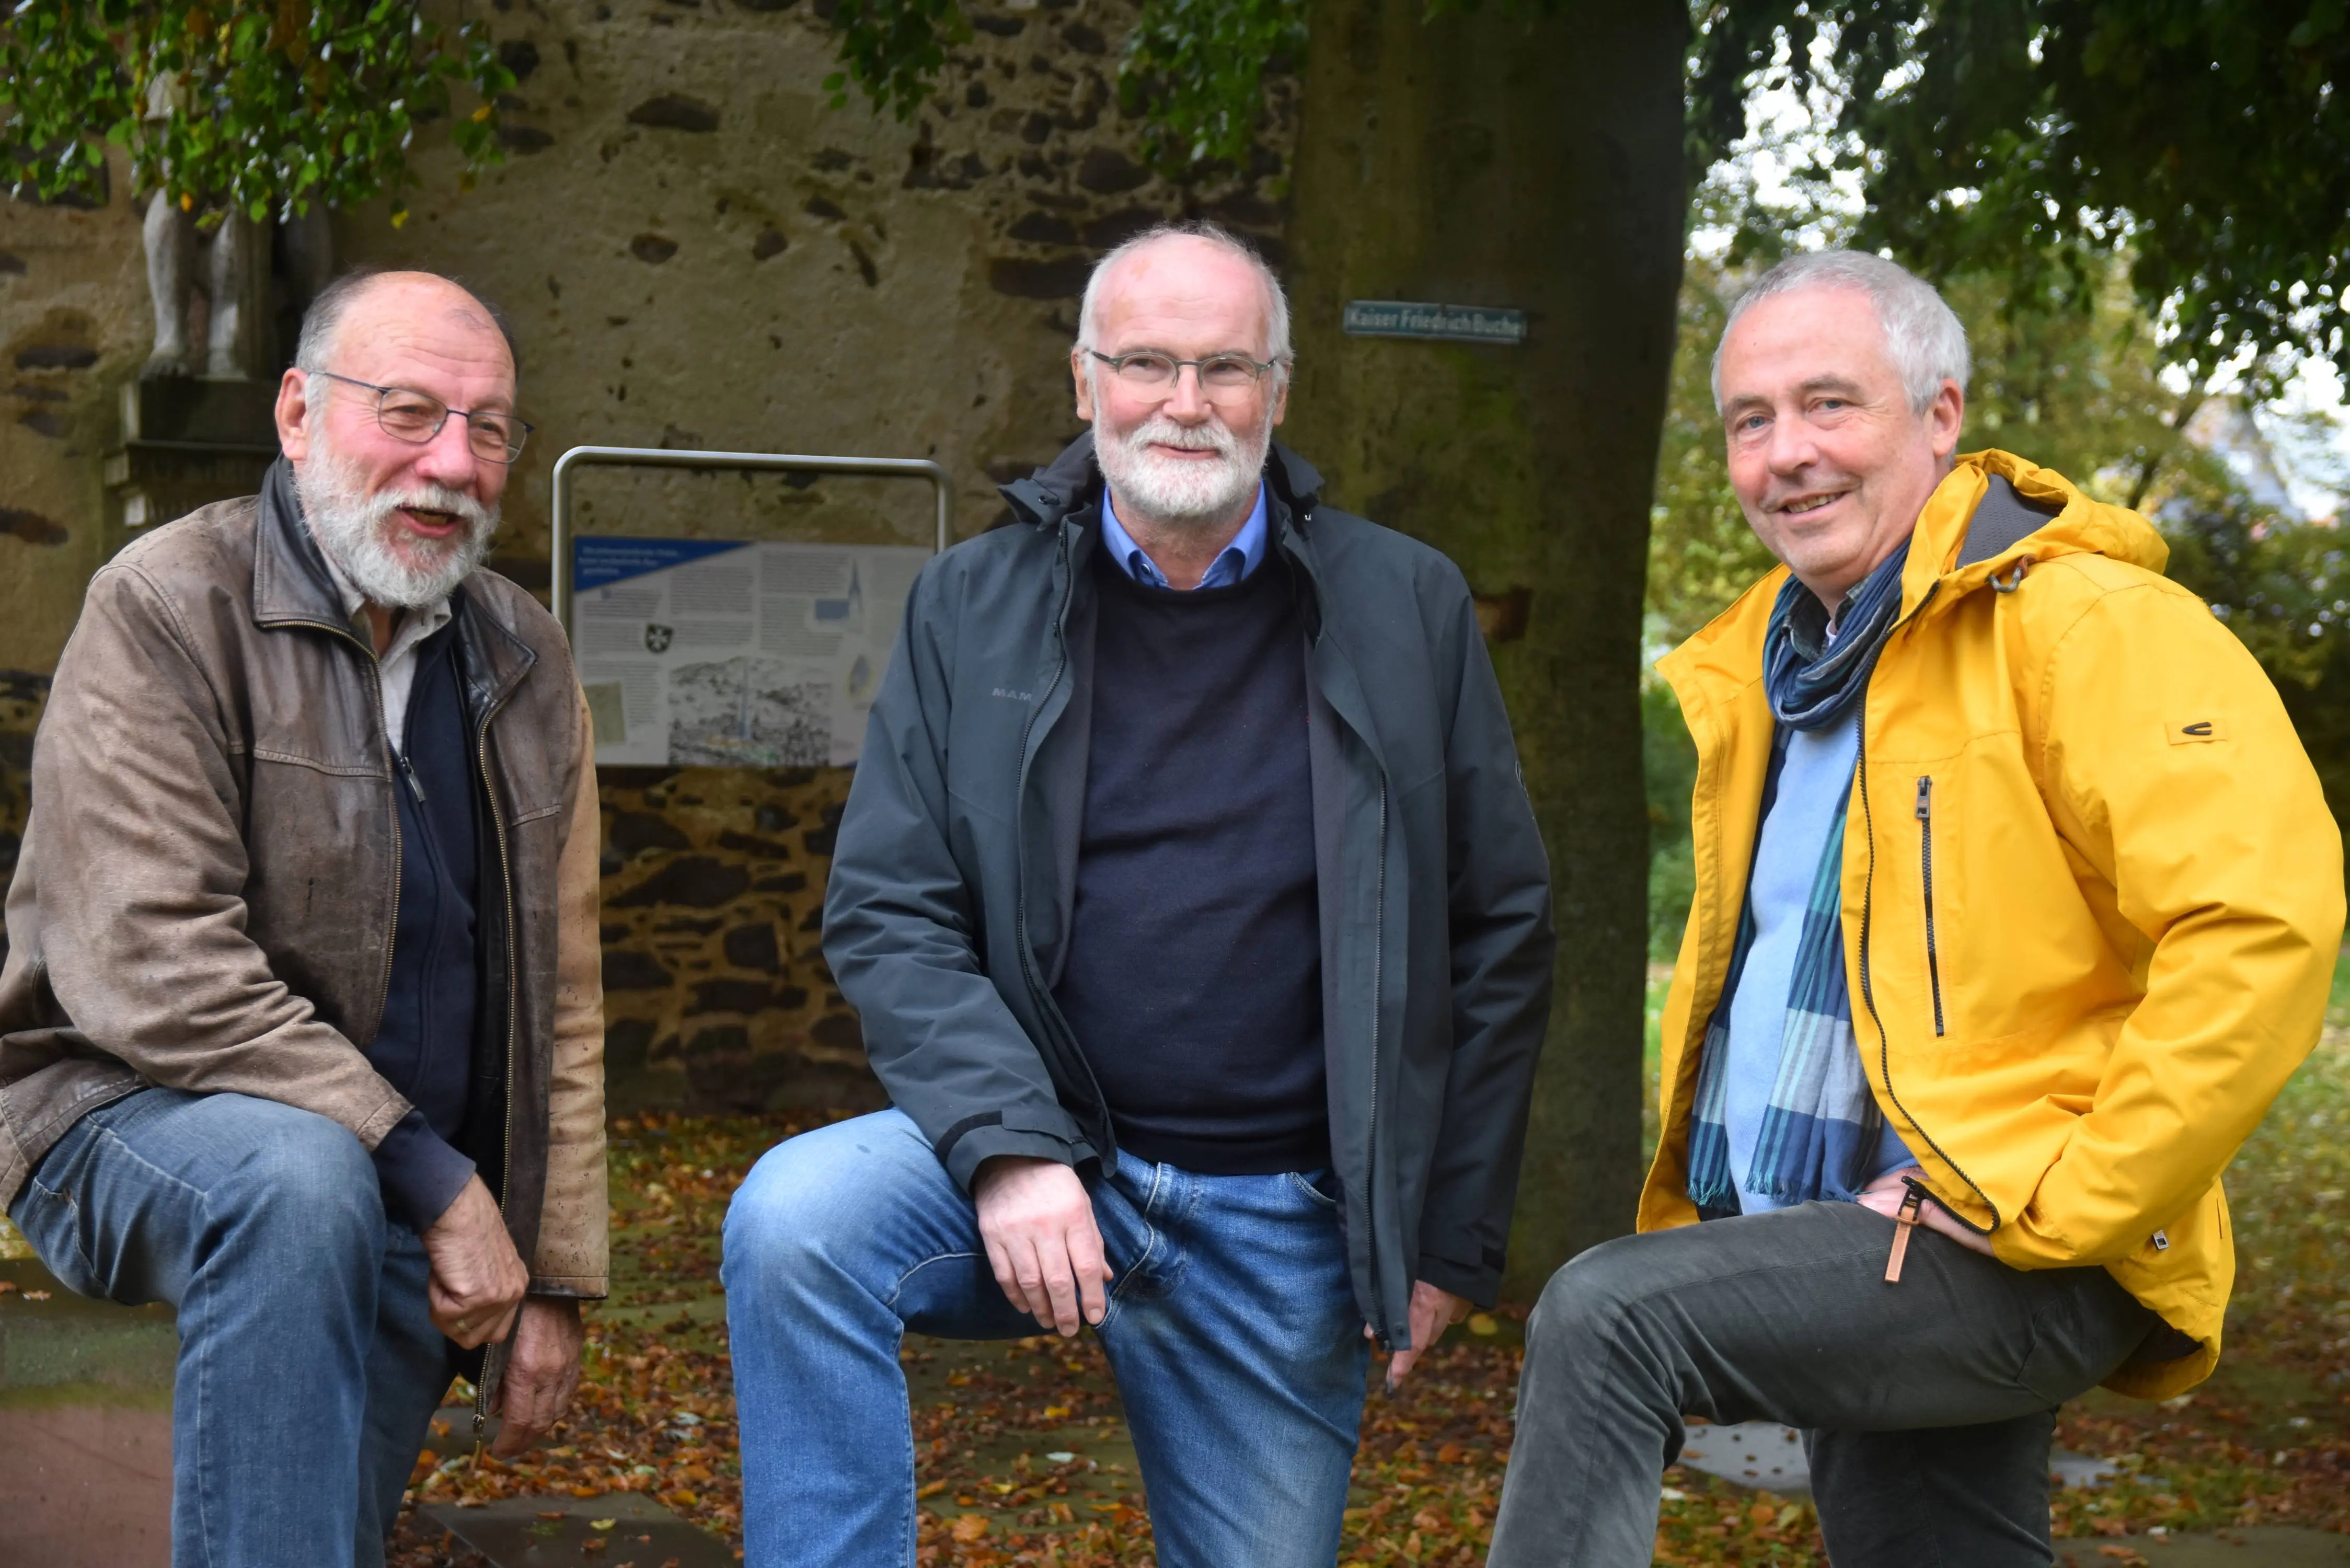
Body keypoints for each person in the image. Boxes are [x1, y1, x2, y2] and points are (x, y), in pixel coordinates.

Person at [1485, 249, 2346, 1567]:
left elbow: (2260, 924)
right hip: (1850, 1230)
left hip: (2024, 1241)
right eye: (1750, 421)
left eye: (1831, 404)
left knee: (1609, 1318)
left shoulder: (2087, 625)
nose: (1787, 455)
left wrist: (2058, 1198)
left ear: (1939, 416)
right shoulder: (1773, 672)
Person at [722, 221, 1556, 1567]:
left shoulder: (1408, 602)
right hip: (1050, 1161)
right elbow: (890, 907)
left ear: (1278, 393)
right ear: (1082, 380)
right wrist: (1006, 1145)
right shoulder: (969, 605)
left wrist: (1452, 1235)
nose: (1185, 402)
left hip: (1287, 1219)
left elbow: (1499, 927)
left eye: (1225, 368)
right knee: (796, 1224)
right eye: (1147, 363)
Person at [0, 269, 608, 1566]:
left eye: (488, 428)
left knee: (316, 1533)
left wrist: (554, 1277)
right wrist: (438, 1185)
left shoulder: (525, 655)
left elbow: (562, 991)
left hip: (392, 1187)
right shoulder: (168, 603)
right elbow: (152, 959)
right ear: (296, 412)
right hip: (118, 1111)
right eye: (407, 413)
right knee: (300, 1179)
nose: (451, 463)